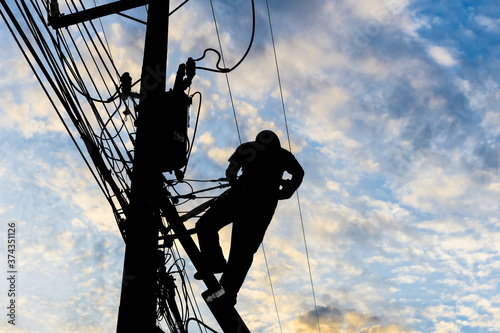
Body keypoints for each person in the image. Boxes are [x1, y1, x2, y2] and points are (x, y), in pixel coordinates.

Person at [195, 130, 304, 305]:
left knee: (207, 226)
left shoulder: (248, 148)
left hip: (242, 196)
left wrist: (234, 181)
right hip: (261, 203)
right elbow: (299, 174)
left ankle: (217, 266)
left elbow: (231, 171)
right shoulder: (283, 154)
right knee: (242, 250)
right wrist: (286, 191)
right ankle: (227, 288)